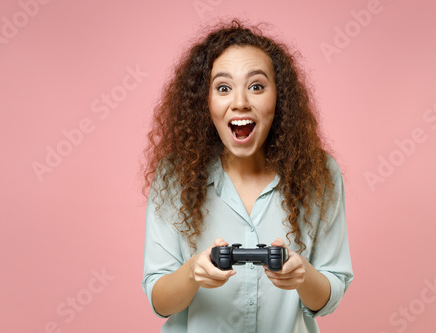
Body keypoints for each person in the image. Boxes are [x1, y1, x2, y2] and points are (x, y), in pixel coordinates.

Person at [141, 19, 353, 333]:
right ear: (206, 102)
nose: (240, 102)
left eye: (256, 86)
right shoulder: (174, 177)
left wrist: (303, 276)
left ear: (278, 98)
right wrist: (192, 274)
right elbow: (160, 302)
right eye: (223, 88)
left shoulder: (321, 175)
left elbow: (330, 295)